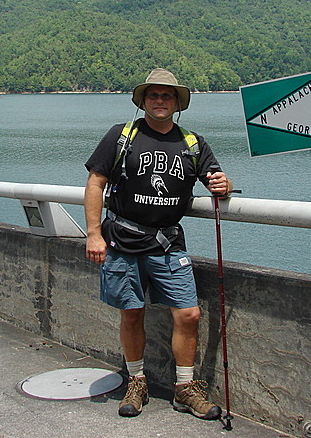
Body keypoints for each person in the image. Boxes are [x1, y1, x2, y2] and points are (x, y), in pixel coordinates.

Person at [84, 68, 233, 420]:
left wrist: (223, 184)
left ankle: (185, 388)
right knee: (132, 313)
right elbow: (95, 182)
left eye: (168, 96)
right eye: (154, 95)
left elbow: (216, 178)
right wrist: (93, 233)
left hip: (168, 244)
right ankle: (136, 380)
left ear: (177, 103)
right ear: (144, 100)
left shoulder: (192, 143)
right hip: (121, 241)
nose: (161, 101)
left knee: (189, 313)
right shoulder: (122, 136)